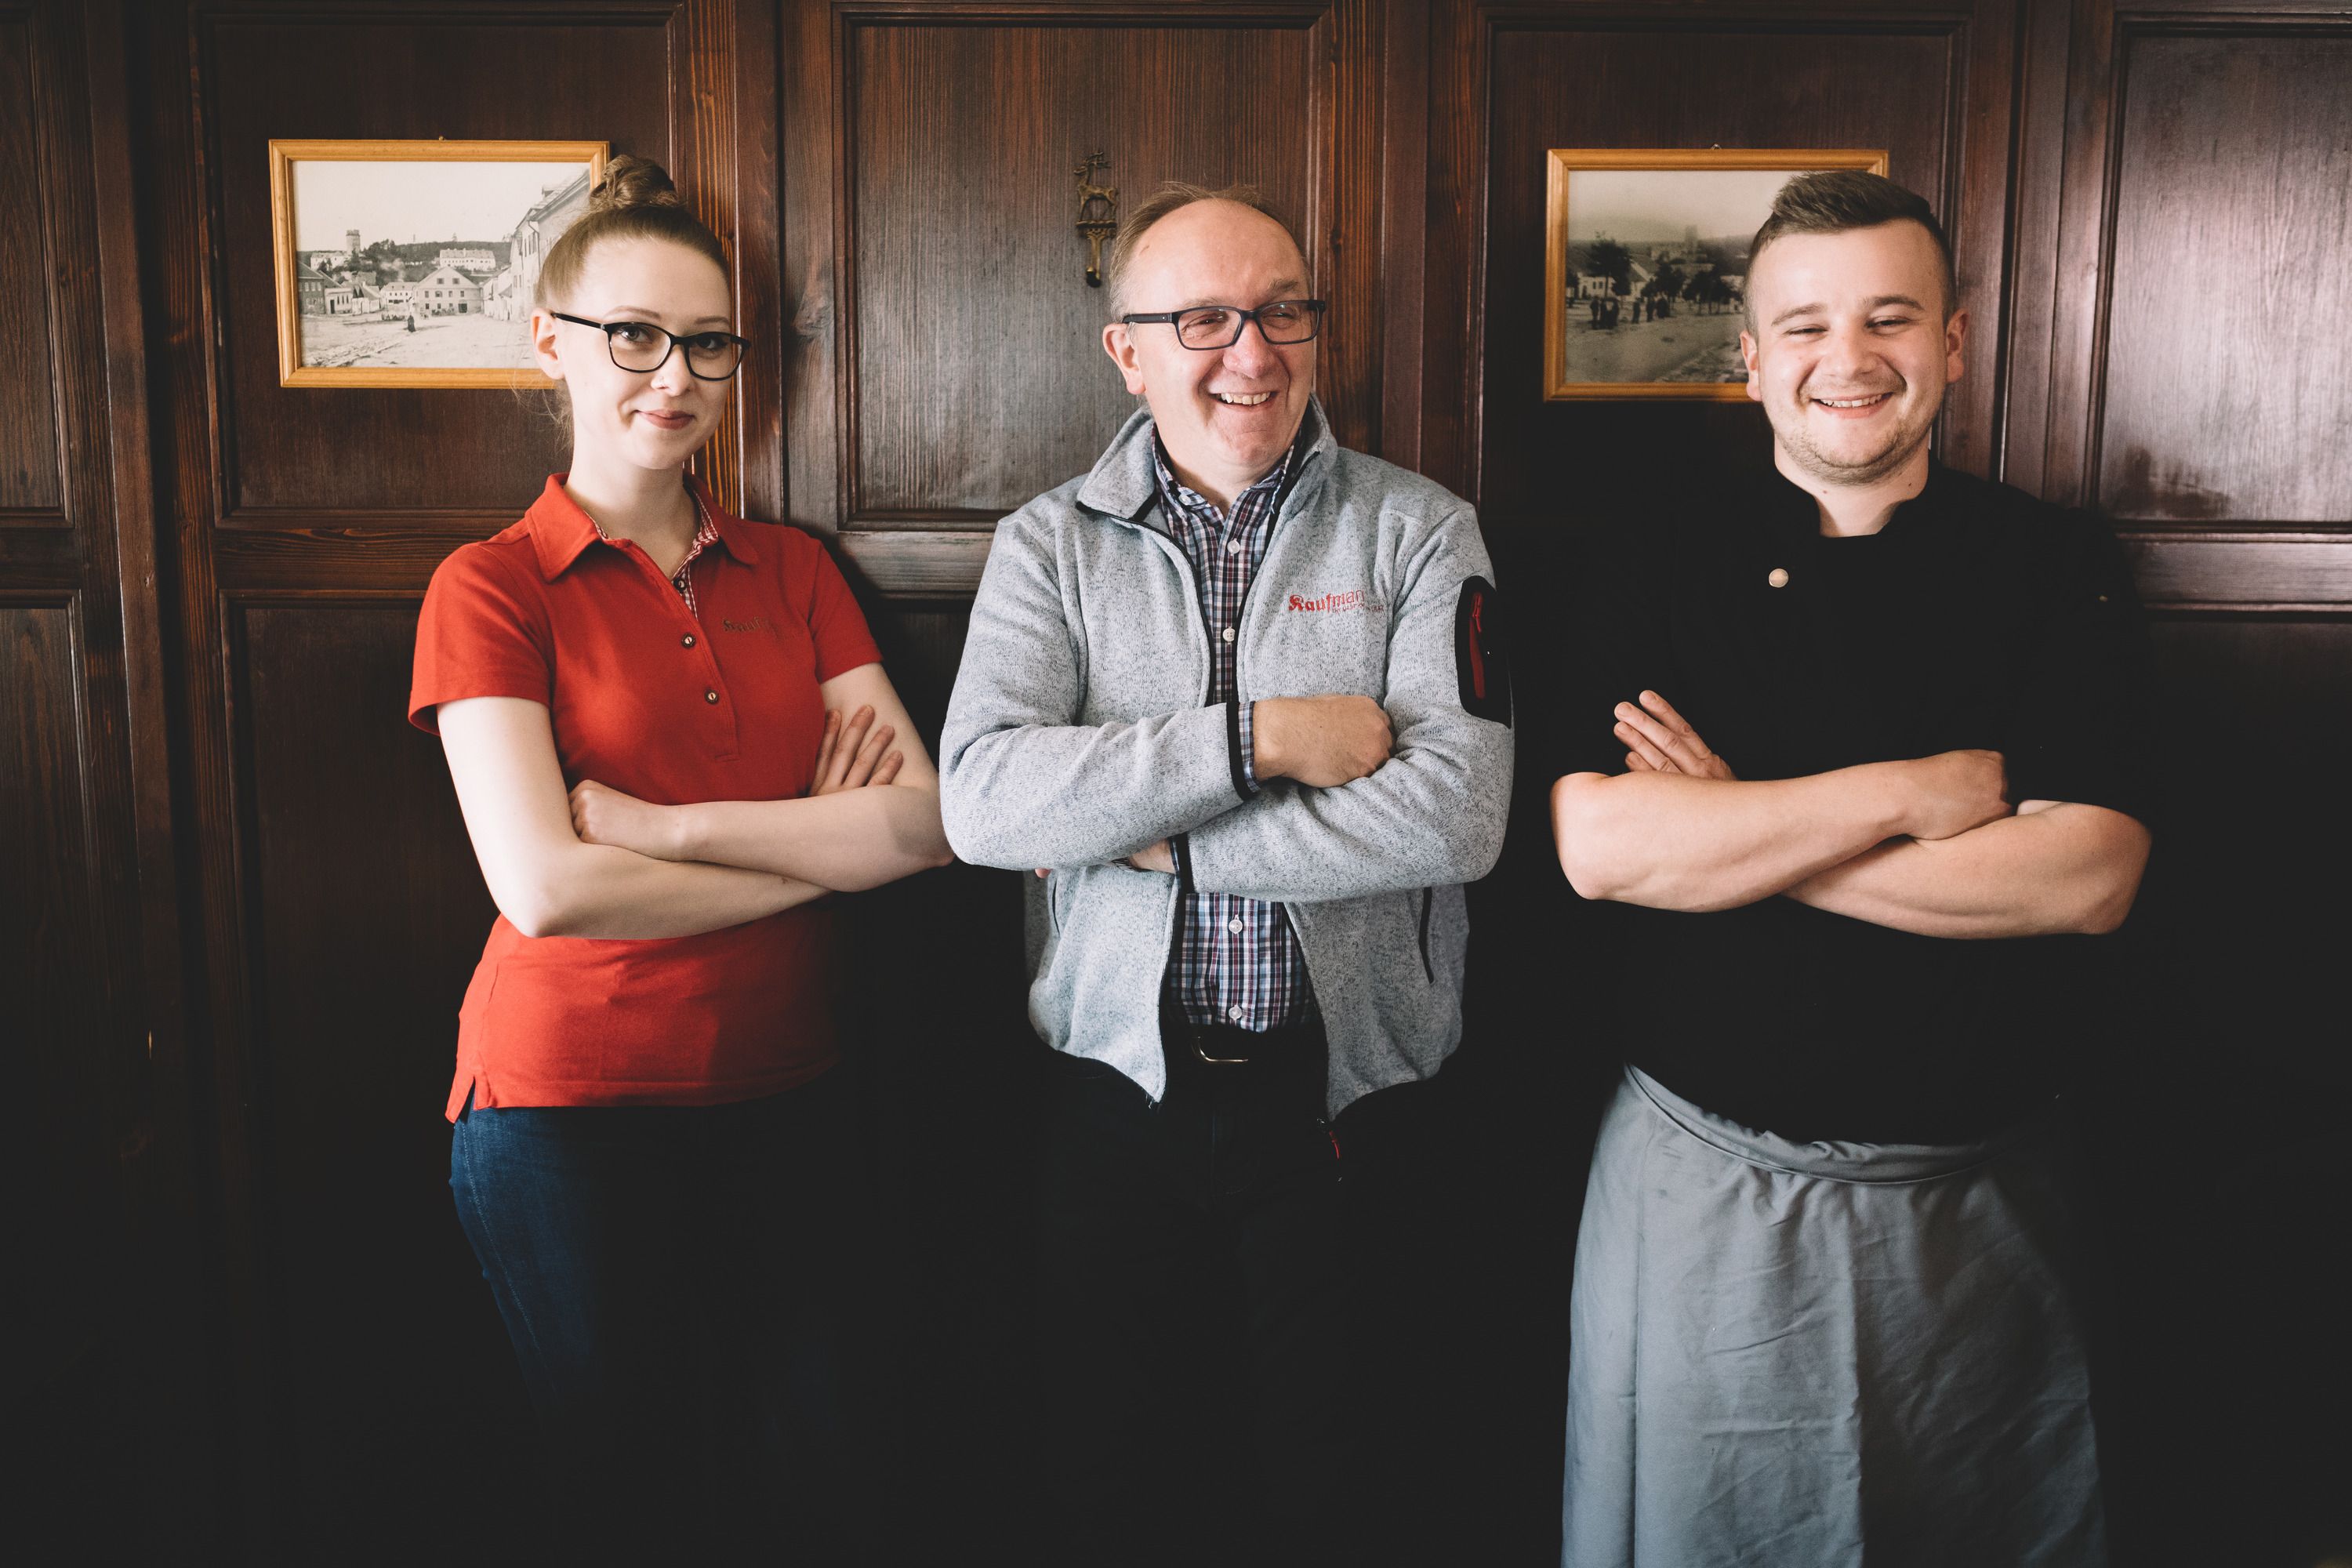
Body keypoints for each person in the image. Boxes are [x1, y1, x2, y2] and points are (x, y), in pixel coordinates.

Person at [1546, 169, 2155, 1567]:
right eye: (1806, 325)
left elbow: (2087, 877)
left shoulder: (2057, 564)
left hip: (1984, 1209)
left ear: (1955, 339)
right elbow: (1602, 846)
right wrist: (1912, 800)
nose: (1849, 358)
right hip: (1703, 1199)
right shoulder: (1653, 556)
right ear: (1751, 358)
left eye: (1890, 317)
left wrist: (1748, 832)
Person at [937, 182, 1513, 1566]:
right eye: (1203, 317)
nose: (1252, 354)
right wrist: (1264, 740)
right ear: (1125, 349)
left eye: (1282, 311)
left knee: (1344, 1493)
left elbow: (1456, 818)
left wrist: (1151, 836)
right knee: (1116, 1484)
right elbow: (984, 801)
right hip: (1114, 1104)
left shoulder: (1420, 531)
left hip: (1354, 1108)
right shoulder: (1047, 546)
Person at [408, 154, 950, 1560]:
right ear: (553, 344)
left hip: (792, 1089)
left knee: (828, 1484)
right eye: (635, 337)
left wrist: (667, 830)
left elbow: (931, 821)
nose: (677, 375)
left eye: (707, 341)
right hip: (565, 1114)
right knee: (630, 1498)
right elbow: (547, 887)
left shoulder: (798, 571)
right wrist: (825, 855)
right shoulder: (490, 585)